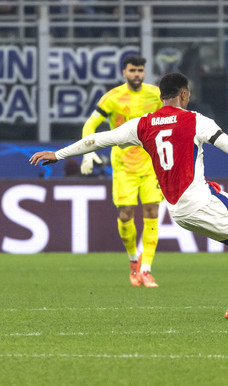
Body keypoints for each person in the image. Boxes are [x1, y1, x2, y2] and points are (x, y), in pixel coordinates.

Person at [30, 73, 228, 319]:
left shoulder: (141, 124)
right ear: (184, 95)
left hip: (178, 208)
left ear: (161, 95)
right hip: (198, 201)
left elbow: (97, 139)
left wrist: (58, 154)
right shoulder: (196, 120)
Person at [80, 56, 163, 288]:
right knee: (126, 213)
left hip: (151, 164)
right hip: (124, 166)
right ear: (124, 72)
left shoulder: (156, 95)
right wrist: (88, 151)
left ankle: (146, 270)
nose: (137, 74)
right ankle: (133, 261)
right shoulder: (112, 97)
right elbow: (90, 125)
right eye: (132, 70)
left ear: (144, 72)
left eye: (140, 70)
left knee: (151, 210)